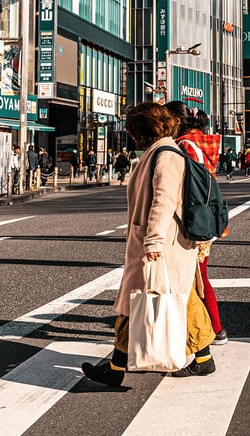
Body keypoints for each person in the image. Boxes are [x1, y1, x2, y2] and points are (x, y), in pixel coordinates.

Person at [82, 102, 215, 386]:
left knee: (142, 302)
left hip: (163, 244)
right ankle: (202, 358)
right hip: (166, 243)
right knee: (173, 300)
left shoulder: (166, 155)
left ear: (144, 129)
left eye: (133, 130)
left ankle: (116, 369)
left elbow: (163, 201)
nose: (132, 136)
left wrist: (153, 240)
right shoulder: (160, 151)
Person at [169, 102, 228, 346]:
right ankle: (212, 328)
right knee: (198, 277)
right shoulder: (201, 142)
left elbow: (184, 184)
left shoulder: (183, 146)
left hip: (192, 219)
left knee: (196, 279)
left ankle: (214, 329)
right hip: (206, 216)